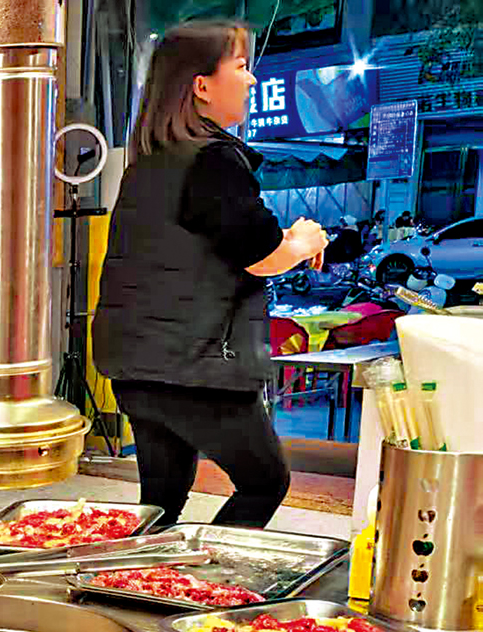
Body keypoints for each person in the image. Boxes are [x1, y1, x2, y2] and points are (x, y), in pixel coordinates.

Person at [92, 20, 327, 527]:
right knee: (265, 480)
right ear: (202, 86)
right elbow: (261, 255)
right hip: (194, 369)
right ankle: (200, 593)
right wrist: (303, 241)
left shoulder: (149, 161)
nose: (251, 80)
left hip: (136, 366)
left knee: (162, 500)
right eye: (241, 68)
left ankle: (143, 590)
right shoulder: (213, 162)